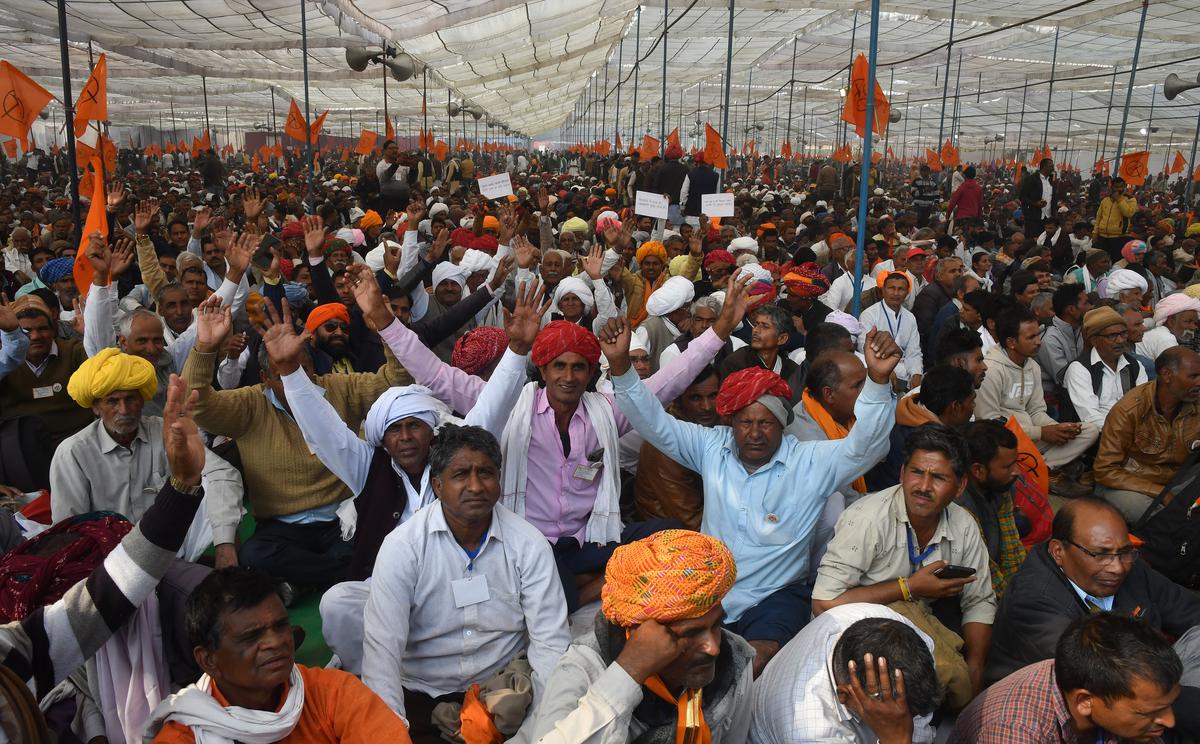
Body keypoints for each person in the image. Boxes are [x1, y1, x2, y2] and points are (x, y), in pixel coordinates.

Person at [363, 264, 749, 613]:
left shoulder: (606, 412)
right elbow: (437, 376)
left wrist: (719, 332)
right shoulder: (510, 406)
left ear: (588, 372)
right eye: (559, 367)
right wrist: (386, 324)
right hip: (530, 545)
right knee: (553, 597)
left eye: (579, 367)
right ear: (543, 371)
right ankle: (594, 587)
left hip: (589, 540)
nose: (569, 377)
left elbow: (668, 382)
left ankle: (592, 582)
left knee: (669, 534)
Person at [602, 311, 902, 675]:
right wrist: (620, 366)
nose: (755, 434)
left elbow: (866, 447)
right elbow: (654, 422)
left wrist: (878, 381)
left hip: (777, 595)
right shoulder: (713, 447)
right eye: (745, 422)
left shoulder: (810, 460)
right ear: (732, 423)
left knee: (756, 660)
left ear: (782, 425)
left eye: (765, 423)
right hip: (712, 588)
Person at [183, 296, 412, 588]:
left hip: (344, 517)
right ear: (265, 378)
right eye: (285, 375)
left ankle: (303, 582)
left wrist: (385, 324)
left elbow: (395, 381)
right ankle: (350, 573)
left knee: (385, 537)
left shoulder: (339, 386)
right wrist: (205, 347)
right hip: (281, 527)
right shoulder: (249, 403)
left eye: (303, 371)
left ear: (314, 369)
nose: (296, 381)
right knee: (255, 555)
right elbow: (197, 405)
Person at [362, 424, 570, 740]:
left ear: (499, 482)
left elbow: (550, 643)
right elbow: (382, 652)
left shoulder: (529, 545)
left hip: (504, 694)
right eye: (461, 475)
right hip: (421, 696)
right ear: (438, 485)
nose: (475, 486)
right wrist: (393, 733)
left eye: (485, 473)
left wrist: (537, 727)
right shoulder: (403, 547)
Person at [811, 424, 996, 703]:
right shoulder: (866, 519)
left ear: (960, 486)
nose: (923, 487)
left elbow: (979, 601)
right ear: (901, 473)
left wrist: (976, 666)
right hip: (855, 629)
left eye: (938, 478)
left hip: (919, 625)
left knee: (963, 676)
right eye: (916, 472)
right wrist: (907, 587)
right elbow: (823, 603)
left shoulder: (963, 524)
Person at [985, 499, 1200, 731]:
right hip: (1085, 712)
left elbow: (1189, 610)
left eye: (1124, 552)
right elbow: (1116, 684)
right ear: (1058, 551)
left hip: (1147, 689)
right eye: (1101, 554)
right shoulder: (1033, 602)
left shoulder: (1126, 566)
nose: (1117, 567)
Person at [523, 530, 753, 743]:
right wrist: (630, 671)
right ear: (640, 633)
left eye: (716, 625)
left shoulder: (736, 658)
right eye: (690, 634)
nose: (713, 647)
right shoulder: (582, 668)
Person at [146, 567, 412, 743]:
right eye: (251, 637)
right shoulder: (184, 736)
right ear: (208, 660)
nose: (275, 642)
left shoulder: (331, 692)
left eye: (281, 626)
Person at [51, 348, 243, 566]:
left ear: (142, 400)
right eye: (112, 401)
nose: (124, 410)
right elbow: (71, 530)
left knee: (218, 490)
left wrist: (224, 546)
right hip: (111, 562)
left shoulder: (167, 432)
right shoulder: (73, 453)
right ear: (96, 407)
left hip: (172, 550)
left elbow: (223, 474)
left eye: (131, 399)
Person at [951, 614, 1181, 744]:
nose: (1169, 721)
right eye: (1149, 712)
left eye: (1168, 706)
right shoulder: (1013, 730)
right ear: (1084, 701)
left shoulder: (1103, 683)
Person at [749, 604, 943, 744]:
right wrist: (896, 740)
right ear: (845, 694)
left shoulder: (899, 631)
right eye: (899, 714)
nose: (905, 720)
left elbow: (920, 722)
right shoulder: (810, 730)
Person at [975, 305, 1098, 495]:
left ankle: (1042, 468)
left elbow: (1036, 410)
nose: (1039, 342)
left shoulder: (1032, 365)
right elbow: (989, 423)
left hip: (1033, 436)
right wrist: (1041, 432)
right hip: (1005, 441)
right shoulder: (991, 370)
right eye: (1031, 337)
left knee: (1089, 431)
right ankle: (1046, 469)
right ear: (1011, 342)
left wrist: (1056, 429)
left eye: (1038, 335)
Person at [1093, 347, 1200, 523]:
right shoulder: (1129, 410)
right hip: (1129, 486)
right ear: (1167, 375)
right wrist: (1159, 492)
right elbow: (1105, 471)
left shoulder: (1195, 401)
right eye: (1193, 376)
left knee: (1182, 514)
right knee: (1164, 518)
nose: (1199, 382)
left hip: (1175, 482)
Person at [633, 364, 719, 530]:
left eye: (713, 395)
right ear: (677, 400)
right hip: (670, 539)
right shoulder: (664, 446)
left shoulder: (718, 424)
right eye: (695, 398)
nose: (707, 407)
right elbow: (691, 522)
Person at [0, 294, 92, 447]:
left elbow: (105, 369)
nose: (35, 336)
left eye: (42, 329)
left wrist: (91, 335)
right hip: (19, 446)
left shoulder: (74, 351)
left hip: (77, 441)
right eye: (26, 331)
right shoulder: (5, 360)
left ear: (54, 329)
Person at [867, 364, 977, 491]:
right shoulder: (922, 442)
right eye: (972, 401)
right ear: (955, 407)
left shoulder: (912, 417)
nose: (973, 406)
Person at [957, 420, 1027, 600]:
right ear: (978, 470)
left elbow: (1012, 552)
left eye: (1015, 463)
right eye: (1007, 467)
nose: (1017, 471)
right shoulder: (960, 505)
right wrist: (1015, 604)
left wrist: (1025, 590)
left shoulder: (1001, 487)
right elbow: (984, 570)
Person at [1064, 306, 1148, 426]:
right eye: (1112, 336)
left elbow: (1142, 405)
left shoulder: (1135, 366)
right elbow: (1091, 417)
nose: (1120, 340)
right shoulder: (1079, 369)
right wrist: (1124, 432)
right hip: (1100, 436)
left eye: (1123, 334)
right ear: (1094, 340)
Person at [718, 304, 804, 403]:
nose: (756, 330)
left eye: (765, 326)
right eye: (756, 325)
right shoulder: (736, 364)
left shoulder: (793, 371)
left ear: (782, 338)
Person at [859, 271, 923, 391]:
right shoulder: (869, 315)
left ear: (907, 293)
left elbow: (913, 351)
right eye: (891, 288)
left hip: (905, 375)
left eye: (901, 289)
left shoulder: (910, 317)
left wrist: (916, 373)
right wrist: (886, 370)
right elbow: (863, 349)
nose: (896, 293)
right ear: (883, 291)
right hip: (878, 373)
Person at [1037, 283, 1092, 404]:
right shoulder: (1050, 338)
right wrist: (1087, 347)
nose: (1090, 307)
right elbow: (1065, 380)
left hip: (1078, 391)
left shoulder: (1079, 328)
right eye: (1086, 303)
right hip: (1054, 399)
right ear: (1071, 310)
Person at [913, 257, 964, 359]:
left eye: (959, 270)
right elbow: (927, 331)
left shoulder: (953, 292)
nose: (958, 274)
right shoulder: (929, 295)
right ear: (939, 276)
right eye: (952, 271)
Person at [1138, 293, 1200, 361]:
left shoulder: (1161, 333)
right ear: (1171, 321)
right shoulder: (1166, 339)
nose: (1193, 327)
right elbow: (1177, 369)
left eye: (1194, 323)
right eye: (1188, 321)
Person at [1092, 176, 1138, 259]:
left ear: (1125, 187)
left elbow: (1128, 213)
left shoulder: (1130, 199)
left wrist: (1119, 199)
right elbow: (1099, 218)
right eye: (1116, 187)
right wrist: (1095, 233)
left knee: (1115, 261)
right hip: (1102, 237)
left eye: (1121, 186)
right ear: (1112, 187)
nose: (1119, 189)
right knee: (1099, 260)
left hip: (1118, 238)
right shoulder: (1105, 200)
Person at [1020, 158, 1056, 238]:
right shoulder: (1032, 179)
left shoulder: (1051, 181)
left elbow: (1053, 198)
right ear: (1044, 167)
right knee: (1033, 240)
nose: (1053, 168)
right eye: (1051, 166)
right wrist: (1034, 204)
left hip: (1048, 218)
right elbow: (1022, 196)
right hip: (1033, 217)